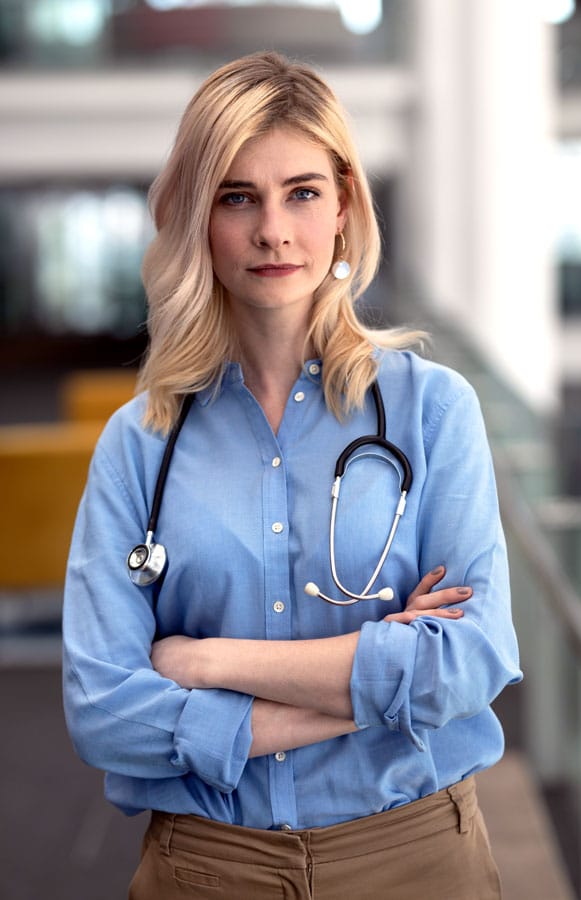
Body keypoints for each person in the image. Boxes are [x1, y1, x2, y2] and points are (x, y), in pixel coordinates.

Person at [62, 51, 522, 900]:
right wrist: (380, 685)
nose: (274, 229)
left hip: (416, 860)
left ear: (344, 207)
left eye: (302, 192)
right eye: (239, 197)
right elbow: (103, 713)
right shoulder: (140, 444)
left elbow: (470, 661)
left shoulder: (432, 412)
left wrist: (203, 663)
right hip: (205, 869)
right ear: (200, 219)